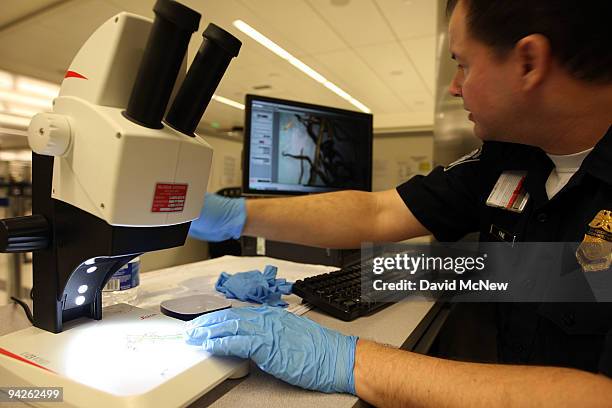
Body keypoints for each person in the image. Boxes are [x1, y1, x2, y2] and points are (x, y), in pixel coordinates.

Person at [184, 0, 612, 405]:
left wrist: (353, 362)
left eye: (464, 64)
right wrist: (236, 214)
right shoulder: (512, 159)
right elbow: (379, 211)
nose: (455, 86)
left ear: (528, 63)